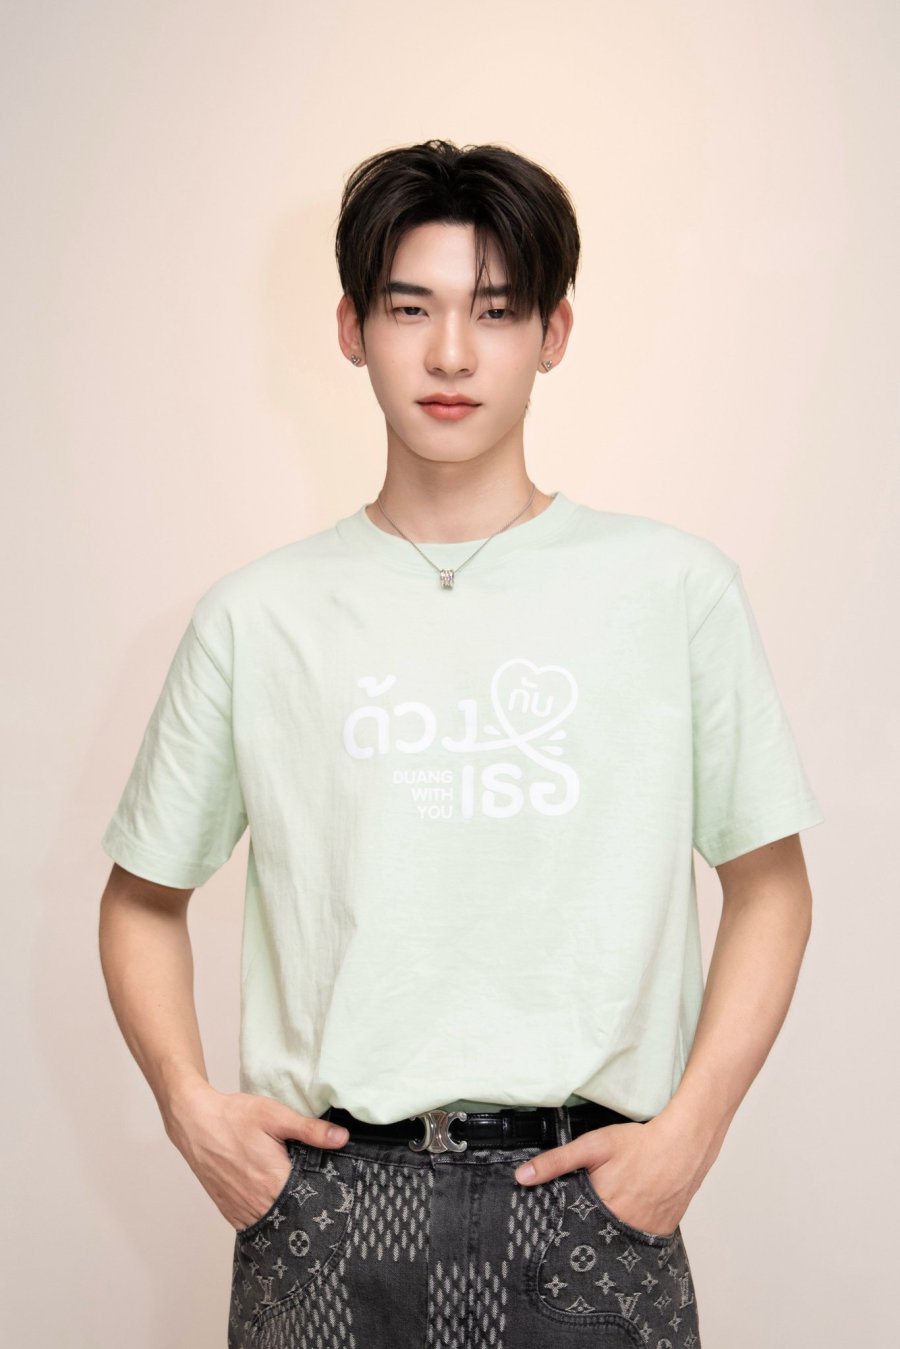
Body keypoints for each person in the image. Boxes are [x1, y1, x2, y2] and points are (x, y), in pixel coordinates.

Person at [98, 138, 824, 1349]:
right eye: (409, 308)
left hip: (590, 1200)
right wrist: (192, 1110)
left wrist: (691, 1130)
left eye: (494, 310)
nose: (449, 353)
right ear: (351, 328)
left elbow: (772, 885)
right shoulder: (258, 615)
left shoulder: (673, 589)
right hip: (325, 1206)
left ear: (553, 332)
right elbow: (139, 897)